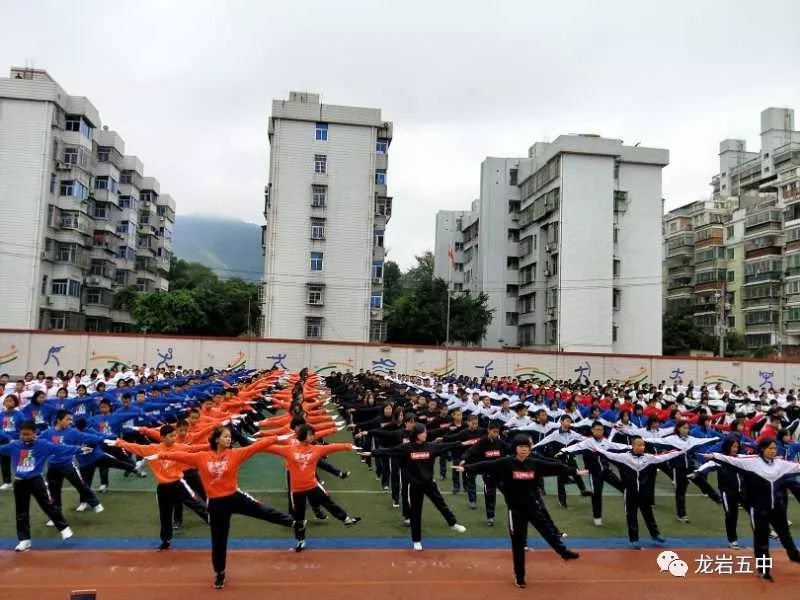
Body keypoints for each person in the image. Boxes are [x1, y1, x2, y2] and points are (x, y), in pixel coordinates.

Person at [154, 426, 297, 589]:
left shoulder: (235, 454)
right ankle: (220, 573)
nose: (229, 439)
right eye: (225, 437)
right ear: (216, 439)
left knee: (261, 510)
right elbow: (180, 455)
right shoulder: (202, 457)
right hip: (216, 504)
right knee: (218, 541)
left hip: (234, 497)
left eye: (230, 437)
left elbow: (256, 446)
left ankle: (293, 523)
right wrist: (160, 454)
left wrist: (277, 438)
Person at [456, 434, 581, 588]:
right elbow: (487, 465)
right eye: (520, 447)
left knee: (548, 532)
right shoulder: (506, 463)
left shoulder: (534, 463)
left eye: (526, 447)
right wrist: (466, 468)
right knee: (518, 544)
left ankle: (564, 553)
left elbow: (554, 466)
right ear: (515, 448)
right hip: (515, 510)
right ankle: (520, 577)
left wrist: (574, 472)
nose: (523, 450)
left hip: (532, 506)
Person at [702, 438, 800, 581]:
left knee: (785, 535)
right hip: (759, 510)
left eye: (774, 449)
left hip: (777, 509)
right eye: (770, 448)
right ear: (762, 449)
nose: (773, 451)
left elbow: (797, 467)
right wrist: (715, 456)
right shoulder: (751, 463)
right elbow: (731, 460)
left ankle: (794, 556)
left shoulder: (781, 464)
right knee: (761, 541)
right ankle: (764, 571)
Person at [363, 423, 468, 550]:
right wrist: (372, 453)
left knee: (441, 503)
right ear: (417, 434)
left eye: (425, 432)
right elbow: (389, 451)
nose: (426, 434)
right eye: (423, 432)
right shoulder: (406, 448)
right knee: (415, 513)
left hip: (429, 483)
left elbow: (445, 446)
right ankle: (416, 541)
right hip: (414, 485)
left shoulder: (430, 447)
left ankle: (452, 523)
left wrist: (460, 443)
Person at [108, 424, 210, 550]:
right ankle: (166, 540)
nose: (174, 438)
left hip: (178, 483)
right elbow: (136, 447)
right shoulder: (153, 448)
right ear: (162, 437)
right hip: (163, 487)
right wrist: (120, 443)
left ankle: (210, 518)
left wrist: (213, 445)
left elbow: (196, 448)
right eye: (171, 436)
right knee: (165, 514)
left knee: (193, 503)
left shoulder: (180, 447)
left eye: (175, 435)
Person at [263, 424, 361, 551]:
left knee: (328, 502)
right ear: (303, 435)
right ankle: (300, 541)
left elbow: (332, 447)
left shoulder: (316, 449)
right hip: (297, 491)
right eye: (310, 434)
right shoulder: (289, 449)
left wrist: (349, 446)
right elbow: (269, 448)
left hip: (313, 486)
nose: (313, 436)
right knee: (299, 517)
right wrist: (258, 444)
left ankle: (346, 519)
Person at [0, 420, 88, 551]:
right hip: (19, 482)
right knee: (21, 512)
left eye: (28, 434)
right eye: (22, 434)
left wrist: (79, 449)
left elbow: (61, 448)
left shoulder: (43, 445)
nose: (25, 437)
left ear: (35, 433)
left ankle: (63, 527)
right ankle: (24, 540)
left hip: (36, 480)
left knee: (48, 505)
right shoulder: (14, 445)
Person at [594, 436, 684, 549]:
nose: (642, 447)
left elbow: (663, 457)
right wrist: (597, 449)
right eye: (639, 445)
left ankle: (655, 535)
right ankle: (634, 539)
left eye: (643, 445)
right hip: (630, 492)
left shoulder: (649, 458)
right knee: (631, 515)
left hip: (644, 492)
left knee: (648, 514)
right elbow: (610, 455)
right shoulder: (624, 457)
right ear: (633, 445)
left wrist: (679, 452)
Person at [558, 420, 628, 526]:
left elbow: (618, 446)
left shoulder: (606, 442)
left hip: (606, 471)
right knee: (596, 495)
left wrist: (632, 448)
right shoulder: (587, 443)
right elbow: (575, 447)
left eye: (601, 430)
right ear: (592, 430)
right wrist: (563, 451)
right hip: (594, 474)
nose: (599, 432)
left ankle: (633, 504)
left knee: (622, 486)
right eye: (597, 430)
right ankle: (597, 518)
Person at [690, 435, 746, 548]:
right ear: (727, 447)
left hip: (742, 492)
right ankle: (732, 540)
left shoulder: (740, 458)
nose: (735, 449)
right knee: (731, 515)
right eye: (733, 446)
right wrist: (697, 472)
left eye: (737, 447)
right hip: (727, 493)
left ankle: (768, 531)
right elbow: (708, 465)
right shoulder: (720, 459)